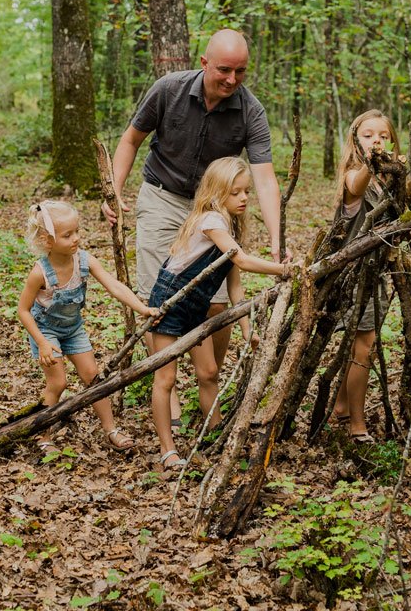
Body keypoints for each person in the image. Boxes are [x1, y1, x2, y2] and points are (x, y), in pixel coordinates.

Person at [103, 29, 286, 431]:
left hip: (215, 208)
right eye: (224, 70)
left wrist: (275, 240)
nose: (232, 80)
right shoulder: (168, 89)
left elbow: (265, 178)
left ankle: (208, 382)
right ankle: (163, 383)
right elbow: (131, 140)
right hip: (163, 197)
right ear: (204, 63)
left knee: (216, 302)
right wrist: (113, 193)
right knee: (160, 298)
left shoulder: (250, 111)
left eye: (241, 72)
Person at [146, 157, 297, 468]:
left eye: (246, 192)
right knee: (166, 378)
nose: (243, 198)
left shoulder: (227, 225)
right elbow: (241, 260)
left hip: (196, 306)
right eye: (235, 192)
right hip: (171, 302)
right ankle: (167, 449)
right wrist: (284, 269)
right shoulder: (211, 221)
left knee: (209, 372)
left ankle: (214, 433)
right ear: (215, 193)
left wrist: (245, 329)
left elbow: (235, 284)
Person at [18, 200, 160, 455]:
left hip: (73, 329)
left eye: (77, 232)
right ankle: (44, 435)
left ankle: (111, 430)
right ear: (47, 240)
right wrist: (41, 342)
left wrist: (142, 308)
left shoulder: (84, 260)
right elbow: (23, 310)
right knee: (58, 383)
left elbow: (114, 286)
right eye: (67, 235)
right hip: (46, 332)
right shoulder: (40, 273)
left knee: (92, 377)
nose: (76, 239)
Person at [331, 110, 411, 443]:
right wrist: (370, 162)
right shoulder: (353, 174)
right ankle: (357, 426)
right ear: (355, 140)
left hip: (375, 274)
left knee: (363, 343)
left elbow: (387, 226)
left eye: (383, 136)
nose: (376, 141)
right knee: (362, 348)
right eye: (368, 135)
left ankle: (342, 406)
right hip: (352, 276)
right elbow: (356, 186)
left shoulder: (388, 182)